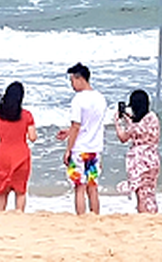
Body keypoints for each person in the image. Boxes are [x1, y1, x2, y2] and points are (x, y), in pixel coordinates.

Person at [56, 62, 106, 215]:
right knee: (92, 185)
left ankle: (81, 217)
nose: (72, 84)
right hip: (94, 148)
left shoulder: (78, 100)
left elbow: (77, 125)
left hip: (79, 149)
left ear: (80, 79)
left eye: (72, 80)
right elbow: (90, 124)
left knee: (79, 186)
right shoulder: (100, 98)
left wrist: (68, 149)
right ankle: (95, 215)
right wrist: (69, 132)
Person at [0, 81, 37, 212]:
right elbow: (32, 137)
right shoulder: (26, 115)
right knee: (20, 191)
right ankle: (19, 213)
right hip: (21, 155)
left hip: (2, 154)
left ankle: (0, 214)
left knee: (1, 191)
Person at [115, 88, 160, 213]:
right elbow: (140, 129)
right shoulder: (152, 118)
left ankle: (143, 215)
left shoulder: (136, 125)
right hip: (152, 157)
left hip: (139, 160)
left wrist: (117, 123)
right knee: (149, 192)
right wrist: (130, 120)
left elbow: (123, 137)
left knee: (141, 194)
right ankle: (152, 214)